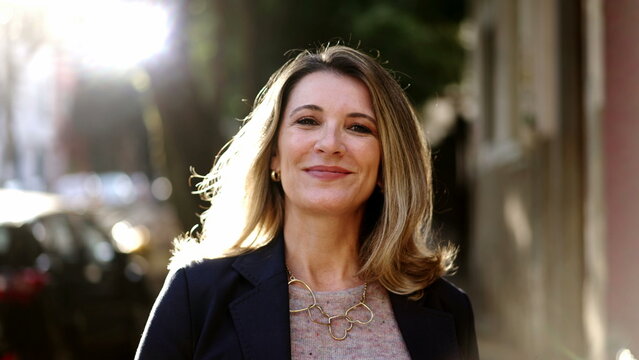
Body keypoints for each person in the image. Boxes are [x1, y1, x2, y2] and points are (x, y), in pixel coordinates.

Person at [135, 44, 479, 360]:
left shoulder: (447, 308)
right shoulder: (195, 293)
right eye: (307, 121)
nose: (330, 144)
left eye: (359, 127)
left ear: (386, 164)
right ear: (273, 155)